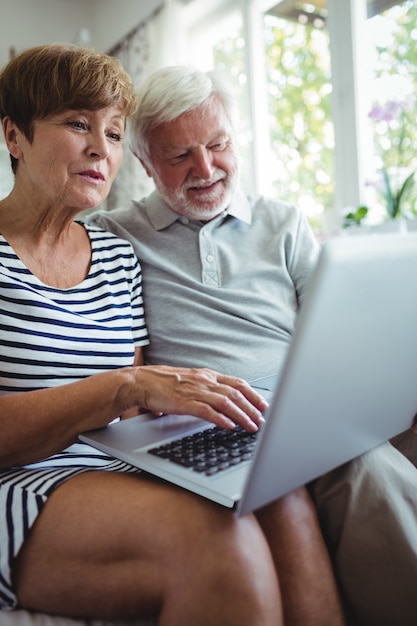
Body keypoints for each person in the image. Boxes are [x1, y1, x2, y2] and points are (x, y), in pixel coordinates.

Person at [0, 45, 346, 626]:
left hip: (124, 465)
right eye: (77, 124)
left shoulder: (114, 255)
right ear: (14, 135)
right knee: (223, 551)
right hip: (25, 476)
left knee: (279, 494)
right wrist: (125, 388)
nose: (98, 149)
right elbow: (128, 390)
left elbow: (133, 420)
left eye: (113, 133)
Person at [90, 64, 417, 626]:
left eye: (218, 144)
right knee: (360, 467)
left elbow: (342, 327)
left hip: (308, 405)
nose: (206, 168)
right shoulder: (115, 236)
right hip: (215, 425)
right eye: (179, 156)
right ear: (143, 164)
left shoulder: (283, 221)